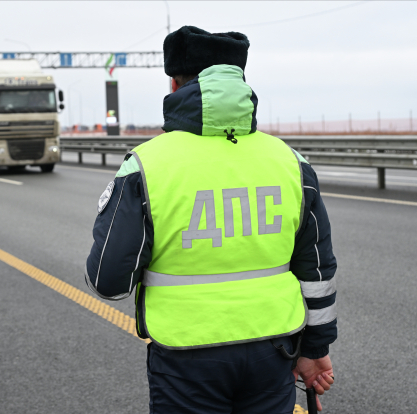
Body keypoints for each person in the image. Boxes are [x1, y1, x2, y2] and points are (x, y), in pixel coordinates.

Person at [85, 26, 337, 414]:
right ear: (240, 79)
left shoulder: (146, 166)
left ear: (174, 84)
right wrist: (315, 349)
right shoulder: (291, 162)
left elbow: (108, 280)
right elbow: (317, 271)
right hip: (274, 351)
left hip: (186, 358)